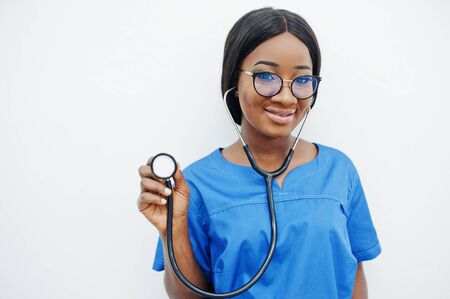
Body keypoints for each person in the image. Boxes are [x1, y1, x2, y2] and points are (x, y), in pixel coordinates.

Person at [137, 7, 381, 299]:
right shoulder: (196, 185)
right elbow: (188, 296)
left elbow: (354, 274)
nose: (287, 97)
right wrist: (172, 230)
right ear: (234, 81)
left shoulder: (339, 171)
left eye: (303, 80)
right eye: (266, 76)